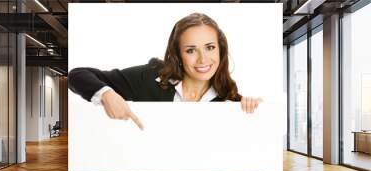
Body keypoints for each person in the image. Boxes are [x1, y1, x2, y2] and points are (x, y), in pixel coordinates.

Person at [68, 13, 262, 130]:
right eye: (191, 50)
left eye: (210, 47)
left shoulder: (229, 99)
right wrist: (106, 94)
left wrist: (249, 108)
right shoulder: (148, 77)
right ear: (177, 53)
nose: (203, 60)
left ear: (221, 50)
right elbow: (77, 75)